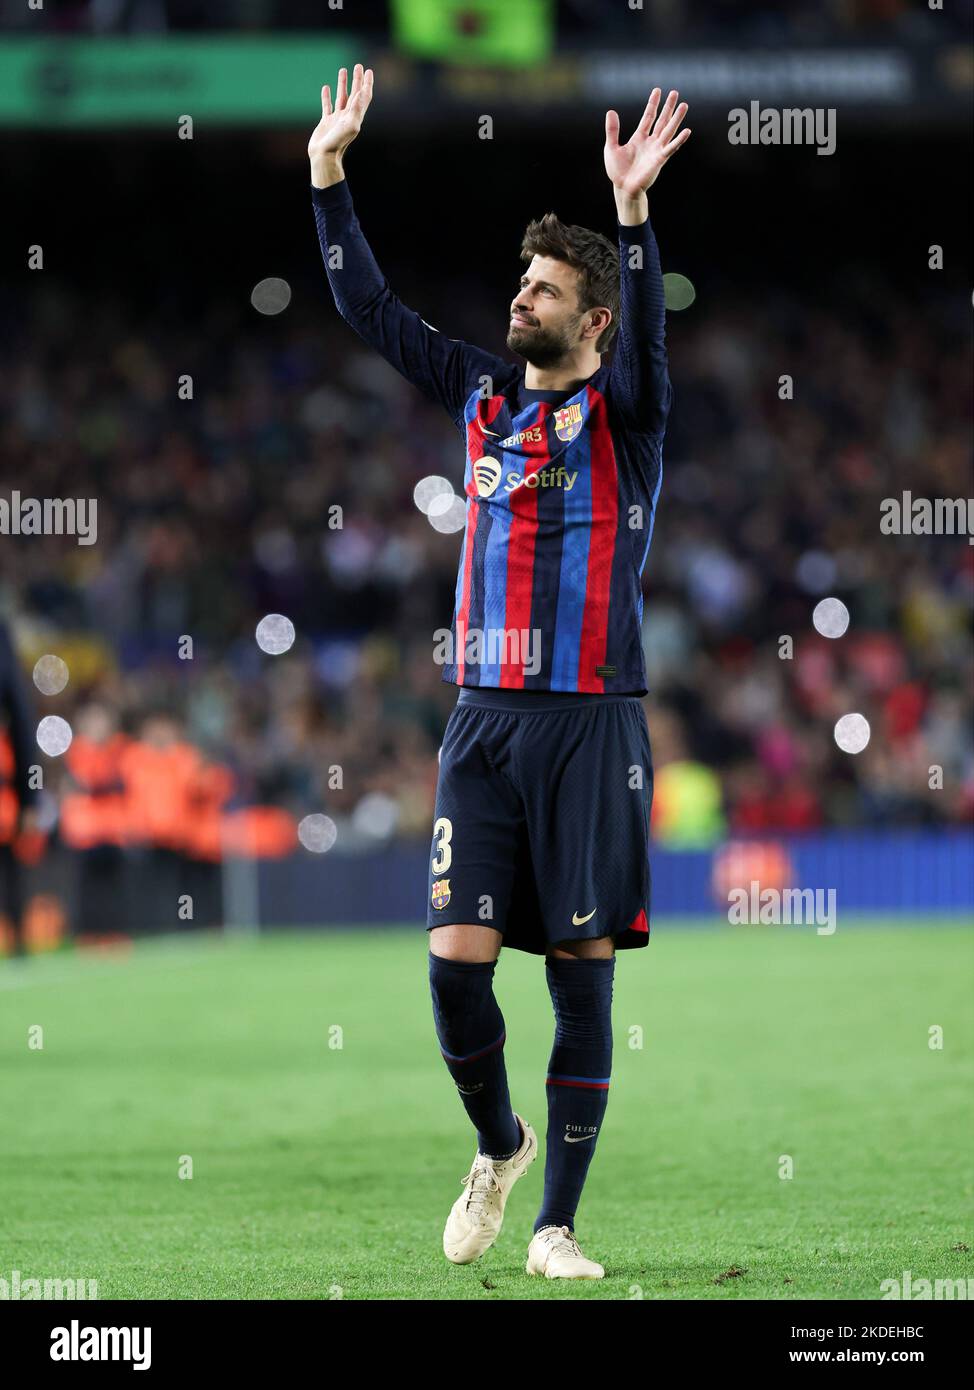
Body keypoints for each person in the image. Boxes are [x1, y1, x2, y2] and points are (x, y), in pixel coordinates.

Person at [309, 65, 688, 1280]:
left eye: (544, 289)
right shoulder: (477, 396)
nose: (518, 297)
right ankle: (498, 1141)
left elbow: (652, 351)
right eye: (521, 281)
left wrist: (630, 215)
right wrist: (328, 175)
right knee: (452, 968)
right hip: (479, 725)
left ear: (592, 324)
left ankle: (556, 1228)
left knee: (580, 983)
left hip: (591, 726)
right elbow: (370, 311)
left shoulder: (625, 418)